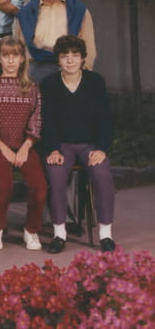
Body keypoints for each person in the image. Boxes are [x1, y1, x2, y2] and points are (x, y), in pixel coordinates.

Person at [41, 35, 115, 254]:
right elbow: (46, 121)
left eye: (75, 55)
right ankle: (59, 233)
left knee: (102, 174)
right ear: (58, 59)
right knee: (55, 174)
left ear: (83, 58)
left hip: (90, 145)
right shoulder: (49, 84)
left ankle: (106, 234)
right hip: (62, 145)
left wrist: (102, 148)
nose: (70, 60)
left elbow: (105, 119)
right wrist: (52, 148)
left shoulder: (95, 81)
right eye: (65, 56)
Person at [0, 36, 45, 251]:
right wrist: (4, 149)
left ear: (23, 59)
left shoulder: (31, 88)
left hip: (24, 146)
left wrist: (25, 147)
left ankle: (31, 231)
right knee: (4, 186)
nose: (11, 61)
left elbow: (36, 121)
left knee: (40, 187)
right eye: (6, 56)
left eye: (15, 56)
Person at [17, 0, 96, 83]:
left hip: (70, 66)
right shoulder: (26, 12)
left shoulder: (79, 10)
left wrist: (84, 72)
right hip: (37, 68)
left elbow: (89, 46)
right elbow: (20, 47)